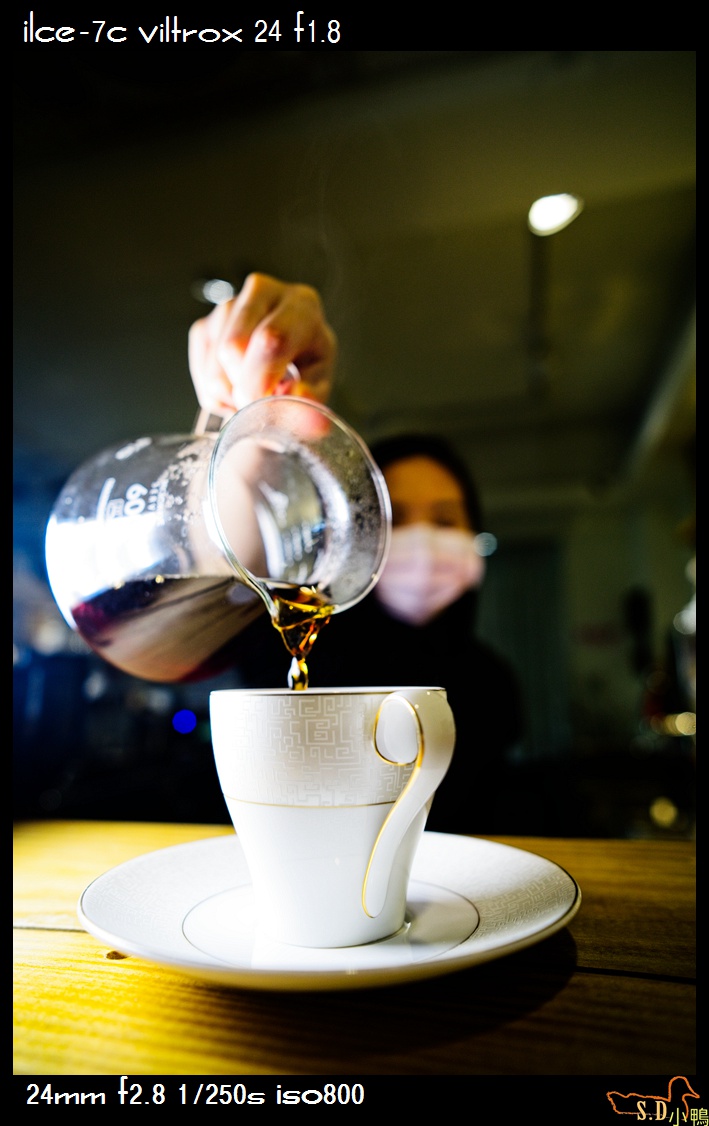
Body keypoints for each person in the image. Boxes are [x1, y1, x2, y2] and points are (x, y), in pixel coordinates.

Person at [188, 273, 525, 834]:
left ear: (475, 534)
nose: (423, 540)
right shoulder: (304, 645)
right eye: (395, 519)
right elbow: (223, 579)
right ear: (356, 535)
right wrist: (252, 436)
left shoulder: (493, 682)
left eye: (445, 520)